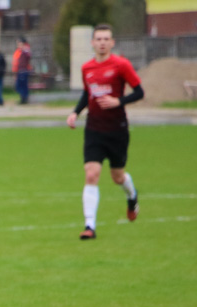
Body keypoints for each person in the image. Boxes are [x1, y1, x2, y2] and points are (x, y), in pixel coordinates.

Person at [67, 23, 143, 240]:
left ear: (112, 42)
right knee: (91, 174)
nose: (102, 43)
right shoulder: (87, 68)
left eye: (105, 39)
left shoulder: (121, 65)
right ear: (92, 42)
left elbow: (139, 92)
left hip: (117, 130)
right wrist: (75, 113)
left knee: (118, 177)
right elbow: (87, 94)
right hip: (94, 129)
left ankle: (132, 196)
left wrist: (118, 101)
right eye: (98, 39)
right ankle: (89, 226)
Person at [13, 38, 32, 104]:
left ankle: (24, 99)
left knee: (23, 86)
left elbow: (29, 56)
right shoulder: (18, 52)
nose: (19, 46)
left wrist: (25, 48)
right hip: (19, 71)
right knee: (19, 86)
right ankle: (23, 97)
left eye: (20, 44)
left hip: (23, 71)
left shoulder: (25, 52)